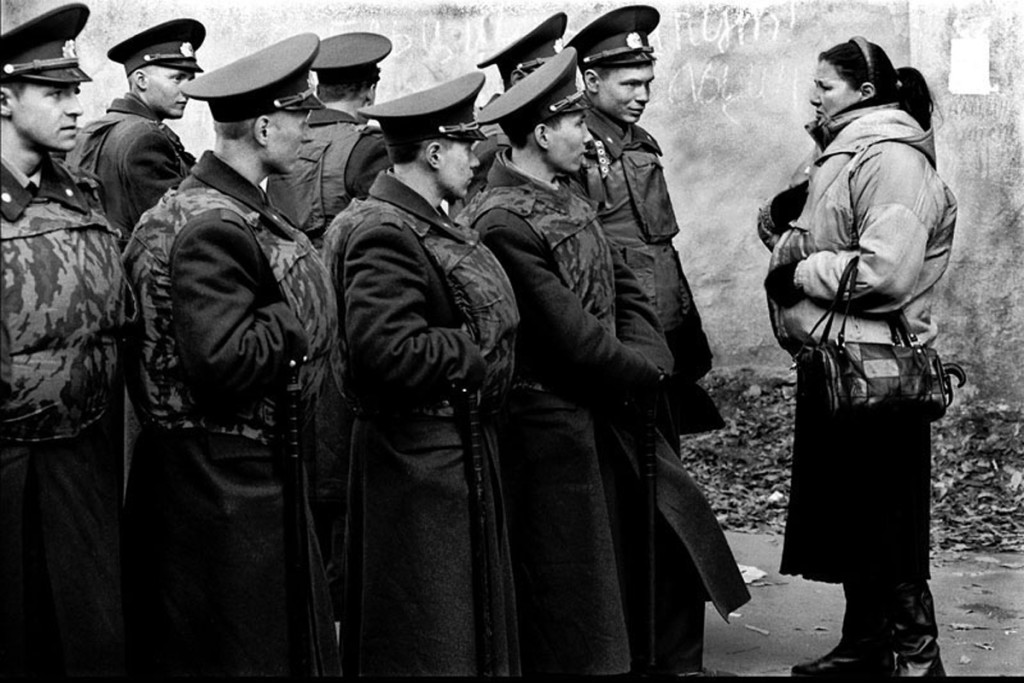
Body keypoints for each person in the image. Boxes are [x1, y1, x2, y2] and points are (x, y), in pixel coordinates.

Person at [458, 47, 749, 676]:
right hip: (552, 420)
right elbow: (567, 334)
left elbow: (627, 284)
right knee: (576, 576)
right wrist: (639, 373)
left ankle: (666, 661)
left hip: (613, 398)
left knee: (664, 541)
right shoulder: (502, 217)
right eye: (576, 124)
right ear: (541, 133)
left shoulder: (566, 193)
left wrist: (651, 360)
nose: (589, 135)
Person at [120, 33, 341, 676]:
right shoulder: (213, 225)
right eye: (301, 119)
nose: (307, 133)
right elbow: (223, 363)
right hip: (224, 486)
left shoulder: (223, 207)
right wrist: (290, 321)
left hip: (230, 476)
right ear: (266, 127)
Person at [759, 36, 957, 677]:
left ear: (864, 94)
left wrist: (803, 269)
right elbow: (818, 233)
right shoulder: (841, 156)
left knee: (888, 518)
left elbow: (887, 271)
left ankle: (918, 659)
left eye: (826, 85)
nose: (813, 94)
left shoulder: (893, 160)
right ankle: (867, 645)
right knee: (853, 518)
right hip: (838, 364)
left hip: (877, 370)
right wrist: (784, 220)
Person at [321, 72, 520, 676]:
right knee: (428, 634)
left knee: (444, 626)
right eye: (466, 145)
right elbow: (387, 350)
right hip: (418, 461)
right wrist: (469, 351)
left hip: (433, 454)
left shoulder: (412, 219)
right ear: (434, 153)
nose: (476, 159)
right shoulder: (385, 232)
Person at [1, 3, 130, 675]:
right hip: (10, 468)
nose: (75, 106)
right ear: (3, 97)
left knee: (89, 643)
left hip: (83, 459)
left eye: (75, 90)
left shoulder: (78, 192)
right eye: (54, 92)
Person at [266, 30, 393, 621]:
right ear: (370, 89)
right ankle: (340, 608)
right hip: (346, 312)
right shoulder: (366, 147)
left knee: (306, 454)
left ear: (318, 86)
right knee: (343, 466)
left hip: (293, 309)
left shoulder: (289, 136)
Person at [567, 5, 723, 436]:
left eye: (648, 83)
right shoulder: (575, 144)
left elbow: (657, 243)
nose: (643, 96)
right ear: (593, 82)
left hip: (661, 313)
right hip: (619, 320)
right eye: (630, 84)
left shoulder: (637, 140)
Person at [67, 18, 204, 244]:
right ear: (141, 80)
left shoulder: (95, 128)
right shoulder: (146, 138)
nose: (186, 90)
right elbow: (175, 231)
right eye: (177, 78)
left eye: (190, 79)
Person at [267, 31, 392, 246]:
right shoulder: (370, 147)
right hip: (342, 273)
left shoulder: (284, 138)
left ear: (319, 91)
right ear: (370, 93)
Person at [465, 11, 567, 203]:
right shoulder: (496, 143)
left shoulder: (520, 129)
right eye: (551, 78)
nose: (560, 87)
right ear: (519, 80)